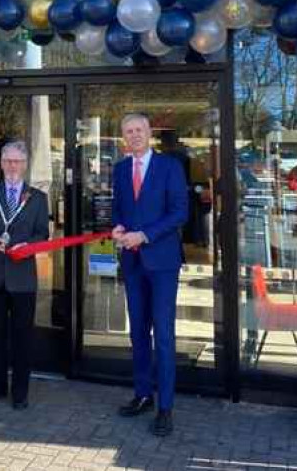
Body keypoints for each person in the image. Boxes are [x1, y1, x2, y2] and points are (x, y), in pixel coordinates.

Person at [111, 113, 188, 437]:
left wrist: (144, 235)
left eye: (139, 130)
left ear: (149, 133)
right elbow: (119, 209)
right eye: (129, 131)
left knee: (164, 335)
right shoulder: (119, 169)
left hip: (162, 262)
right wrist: (118, 228)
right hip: (132, 262)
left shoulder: (170, 166)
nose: (135, 135)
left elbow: (180, 212)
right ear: (124, 137)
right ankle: (143, 394)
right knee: (138, 332)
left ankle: (165, 408)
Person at [0, 140, 50, 409]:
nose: (12, 166)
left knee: (22, 336)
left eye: (17, 161)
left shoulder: (38, 198)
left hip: (22, 278)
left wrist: (29, 246)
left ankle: (20, 393)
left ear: (25, 164)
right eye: (7, 161)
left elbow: (43, 234)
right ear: (1, 164)